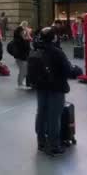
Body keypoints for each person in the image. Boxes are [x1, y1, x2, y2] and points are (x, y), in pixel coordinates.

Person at [28, 27, 72, 156]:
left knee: (41, 113)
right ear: (54, 38)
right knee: (54, 116)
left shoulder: (36, 49)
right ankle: (54, 145)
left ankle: (41, 142)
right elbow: (67, 70)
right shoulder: (57, 52)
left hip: (40, 86)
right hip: (55, 87)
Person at [11, 25, 32, 89]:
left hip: (22, 56)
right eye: (23, 31)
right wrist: (27, 33)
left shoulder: (20, 38)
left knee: (23, 70)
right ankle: (19, 84)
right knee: (23, 71)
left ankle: (20, 83)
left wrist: (27, 33)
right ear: (20, 32)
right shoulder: (19, 39)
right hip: (21, 57)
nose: (24, 32)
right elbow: (27, 42)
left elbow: (29, 40)